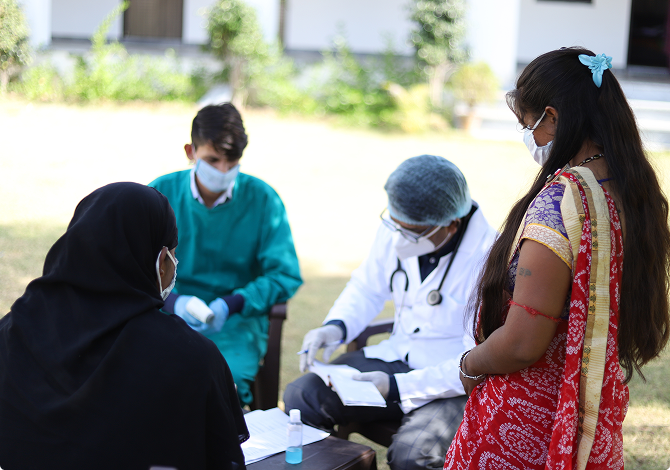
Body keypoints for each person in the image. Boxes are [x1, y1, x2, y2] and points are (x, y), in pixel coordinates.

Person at [444, 48, 670, 469]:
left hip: (532, 418)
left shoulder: (563, 203)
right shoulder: (634, 190)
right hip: (592, 408)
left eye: (527, 124)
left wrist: (469, 365)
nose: (529, 137)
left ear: (551, 117)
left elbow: (522, 343)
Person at [0, 182, 248, 470]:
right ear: (161, 261)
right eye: (173, 254)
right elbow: (223, 457)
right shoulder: (192, 357)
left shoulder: (11, 332)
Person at [284, 155, 498, 470]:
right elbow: (367, 287)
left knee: (415, 455)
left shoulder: (490, 257)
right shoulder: (402, 224)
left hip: (451, 381)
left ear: (450, 225)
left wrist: (396, 387)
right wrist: (335, 327)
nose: (398, 238)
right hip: (396, 357)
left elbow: (475, 359)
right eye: (395, 225)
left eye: (410, 232)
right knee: (303, 396)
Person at [149, 103, 302, 406]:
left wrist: (233, 304)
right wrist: (173, 301)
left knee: (220, 385)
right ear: (190, 151)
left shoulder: (263, 199)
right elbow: (133, 266)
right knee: (149, 377)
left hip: (237, 323)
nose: (222, 170)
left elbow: (284, 274)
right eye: (213, 159)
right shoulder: (159, 194)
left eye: (232, 161)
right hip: (163, 315)